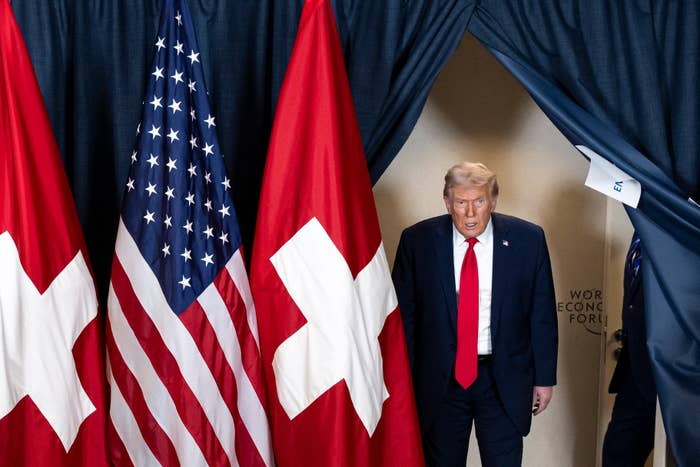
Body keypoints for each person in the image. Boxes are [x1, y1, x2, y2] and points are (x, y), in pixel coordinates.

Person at [392, 161, 558, 467]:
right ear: (447, 203)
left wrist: (544, 379)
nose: (470, 213)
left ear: (493, 201)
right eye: (461, 202)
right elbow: (406, 319)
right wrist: (401, 381)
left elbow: (542, 313)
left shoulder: (528, 240)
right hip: (440, 380)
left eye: (479, 201)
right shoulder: (417, 242)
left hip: (502, 378)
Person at [602, 233, 656, 467]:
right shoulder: (640, 232)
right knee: (617, 453)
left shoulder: (679, 223)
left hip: (667, 374)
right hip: (634, 373)